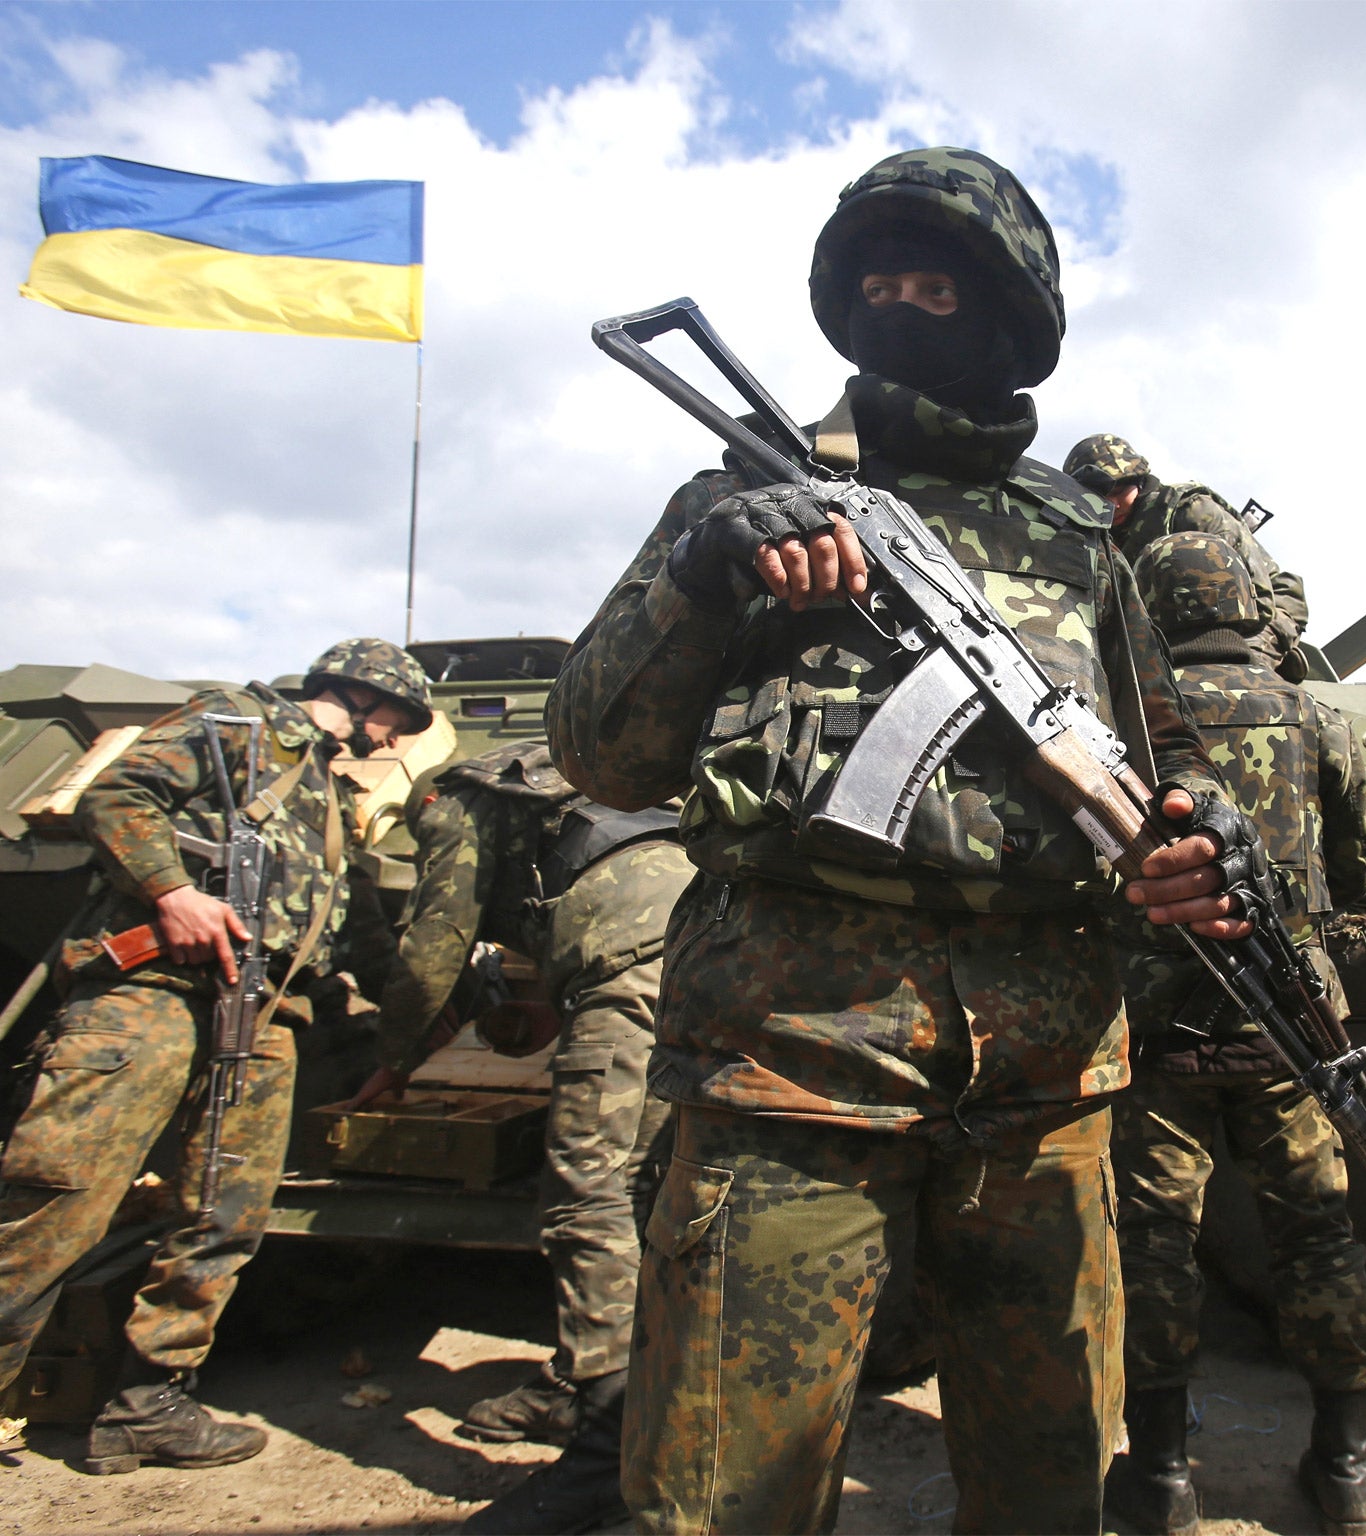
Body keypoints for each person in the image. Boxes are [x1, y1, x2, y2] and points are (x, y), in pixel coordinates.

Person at [546, 145, 1246, 1534]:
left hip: (1048, 1089)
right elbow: (599, 752)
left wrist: (1199, 836)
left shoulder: (1076, 539)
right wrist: (705, 573)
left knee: (1051, 1485)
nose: (903, 305)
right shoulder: (741, 500)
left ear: (1007, 316)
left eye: (938, 283)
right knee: (724, 1497)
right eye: (880, 282)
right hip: (792, 1068)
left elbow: (1171, 763)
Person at [0, 639, 426, 1471]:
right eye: (399, 723)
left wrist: (435, 1015)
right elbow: (119, 793)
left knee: (224, 1213)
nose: (394, 743)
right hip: (153, 998)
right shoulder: (237, 724)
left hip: (263, 1021)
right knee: (57, 1199)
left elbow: (363, 935)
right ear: (367, 698)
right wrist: (171, 891)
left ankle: (148, 1403)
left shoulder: (331, 804)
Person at [1106, 531, 1366, 1536]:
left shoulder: (1125, 722)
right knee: (1316, 1235)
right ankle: (1346, 1469)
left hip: (1155, 1031)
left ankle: (1164, 1479)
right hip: (1291, 1028)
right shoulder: (1311, 711)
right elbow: (1357, 870)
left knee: (1151, 1245)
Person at [341, 739, 692, 1533]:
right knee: (660, 1187)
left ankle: (607, 1456)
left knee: (591, 1196)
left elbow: (434, 947)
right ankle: (589, 1385)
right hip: (713, 955)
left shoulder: (457, 801)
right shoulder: (580, 783)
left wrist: (395, 1059)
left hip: (632, 969)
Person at [1064, 432, 1311, 678]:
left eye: (1120, 491)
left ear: (1138, 480)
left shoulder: (1190, 511)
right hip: (1180, 623)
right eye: (1101, 497)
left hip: (1262, 612)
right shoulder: (1095, 539)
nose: (1113, 503)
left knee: (1231, 676)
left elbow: (1261, 602)